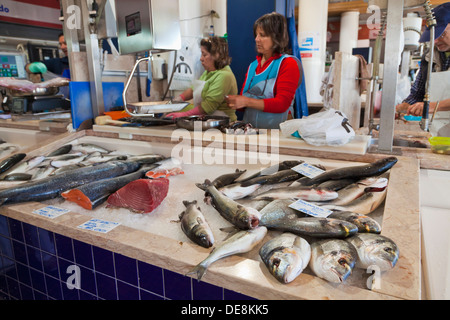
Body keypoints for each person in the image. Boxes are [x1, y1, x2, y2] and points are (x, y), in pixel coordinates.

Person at [225, 12, 302, 129]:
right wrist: (234, 102)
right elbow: (243, 103)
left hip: (277, 133)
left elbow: (282, 104)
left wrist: (246, 101)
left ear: (276, 36)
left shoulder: (288, 63)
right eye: (256, 35)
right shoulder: (253, 66)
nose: (257, 39)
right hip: (251, 131)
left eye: (262, 35)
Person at [165, 36, 238, 121]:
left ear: (216, 55)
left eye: (204, 55)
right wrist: (179, 99)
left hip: (221, 124)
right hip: (206, 120)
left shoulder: (224, 76)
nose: (201, 58)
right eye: (201, 54)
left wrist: (183, 115)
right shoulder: (208, 72)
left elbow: (208, 107)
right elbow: (193, 89)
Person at [396, 3, 450, 116]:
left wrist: (432, 106)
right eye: (432, 36)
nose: (435, 41)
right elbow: (417, 95)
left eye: (441, 34)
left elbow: (429, 106)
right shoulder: (429, 57)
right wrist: (405, 107)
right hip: (438, 127)